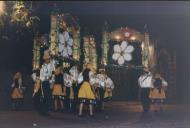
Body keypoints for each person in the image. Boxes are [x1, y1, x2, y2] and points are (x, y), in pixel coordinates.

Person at [39, 50, 55, 116]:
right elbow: (41, 76)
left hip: (50, 83)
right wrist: (46, 78)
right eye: (46, 58)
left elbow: (53, 74)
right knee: (45, 97)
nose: (47, 59)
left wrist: (52, 82)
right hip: (44, 83)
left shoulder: (52, 65)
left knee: (49, 97)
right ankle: (43, 111)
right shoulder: (42, 66)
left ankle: (46, 111)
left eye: (48, 58)